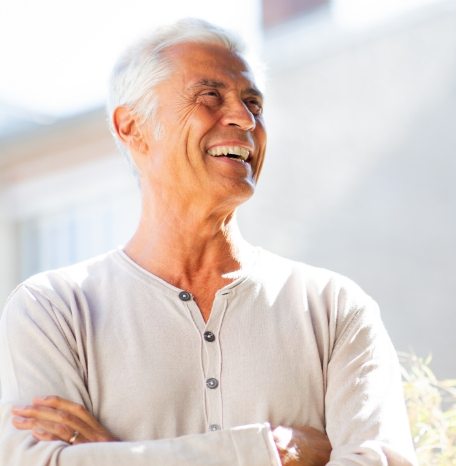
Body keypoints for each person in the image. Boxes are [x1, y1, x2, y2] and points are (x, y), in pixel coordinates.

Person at [0, 18, 417, 466]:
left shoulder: (334, 309)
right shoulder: (53, 311)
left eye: (253, 102)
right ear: (132, 127)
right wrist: (268, 452)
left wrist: (117, 457)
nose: (244, 118)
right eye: (210, 97)